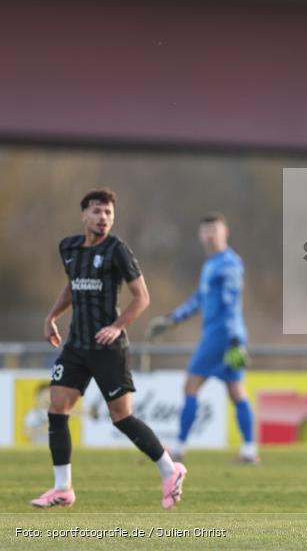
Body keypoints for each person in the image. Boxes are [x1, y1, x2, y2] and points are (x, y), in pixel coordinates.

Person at [33, 188, 186, 509]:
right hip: (76, 345)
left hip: (108, 347)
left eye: (109, 213)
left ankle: (170, 470)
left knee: (121, 417)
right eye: (98, 211)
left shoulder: (118, 250)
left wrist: (117, 327)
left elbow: (142, 297)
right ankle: (63, 489)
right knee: (57, 409)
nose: (104, 218)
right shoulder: (69, 248)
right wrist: (52, 317)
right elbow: (72, 286)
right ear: (84, 215)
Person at [145, 213, 257, 464]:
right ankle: (249, 451)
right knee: (236, 391)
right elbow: (199, 299)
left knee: (191, 385)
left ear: (225, 232)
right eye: (205, 231)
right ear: (200, 235)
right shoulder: (211, 265)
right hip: (227, 335)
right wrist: (173, 318)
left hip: (221, 336)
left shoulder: (229, 263)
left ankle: (179, 448)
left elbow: (231, 303)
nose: (209, 235)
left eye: (214, 230)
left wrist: (235, 338)